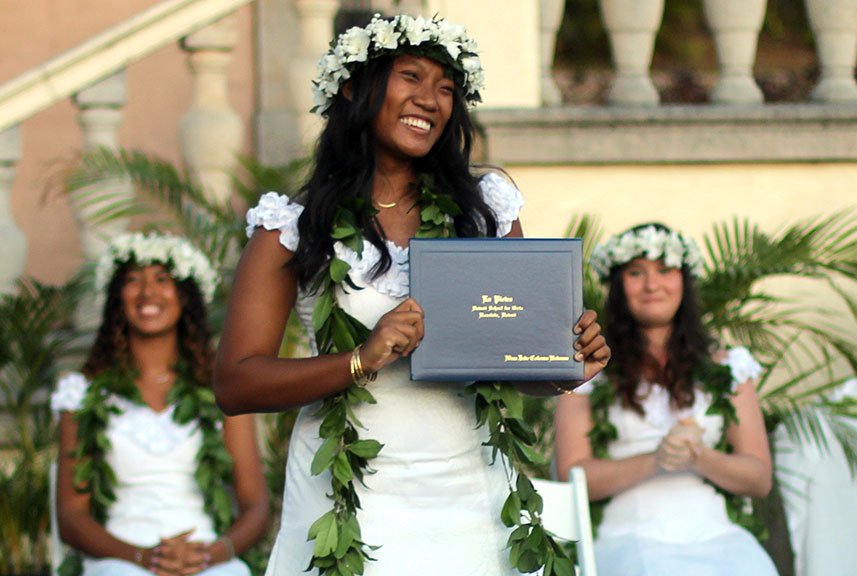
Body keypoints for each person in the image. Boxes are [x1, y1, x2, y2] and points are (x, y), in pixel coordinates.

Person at [213, 14, 610, 576]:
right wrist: (360, 358)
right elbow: (235, 383)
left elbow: (514, 362)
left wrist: (570, 363)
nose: (431, 100)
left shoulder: (486, 211)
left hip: (468, 487)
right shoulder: (292, 226)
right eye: (411, 77)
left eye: (447, 88)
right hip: (347, 495)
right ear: (354, 86)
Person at [554, 223, 778, 575]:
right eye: (635, 272)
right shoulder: (590, 368)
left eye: (665, 270)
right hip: (629, 536)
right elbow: (572, 476)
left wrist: (698, 457)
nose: (652, 285)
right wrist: (657, 460)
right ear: (616, 285)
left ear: (684, 282)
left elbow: (759, 477)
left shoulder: (729, 366)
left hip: (718, 533)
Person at [51, 232, 269, 576]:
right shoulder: (81, 393)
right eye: (134, 280)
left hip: (204, 555)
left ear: (185, 296)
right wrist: (144, 558)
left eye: (163, 280)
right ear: (116, 298)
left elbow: (255, 505)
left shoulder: (220, 391)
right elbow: (71, 517)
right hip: (120, 557)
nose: (148, 293)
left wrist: (211, 555)